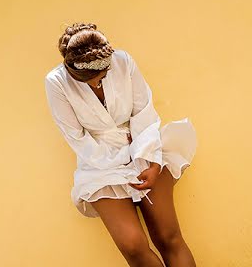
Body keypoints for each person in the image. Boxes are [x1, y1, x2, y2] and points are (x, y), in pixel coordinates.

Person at [44, 23, 198, 266]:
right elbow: (76, 137)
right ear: (72, 71)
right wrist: (121, 156)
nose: (96, 85)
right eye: (88, 82)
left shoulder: (123, 61)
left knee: (168, 237)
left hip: (145, 148)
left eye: (102, 78)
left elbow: (143, 112)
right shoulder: (56, 83)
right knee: (133, 245)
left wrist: (151, 160)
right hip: (99, 164)